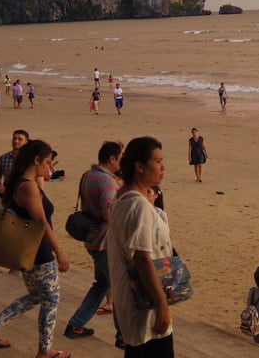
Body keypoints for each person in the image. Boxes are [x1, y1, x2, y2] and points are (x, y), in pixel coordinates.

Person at [0, 139, 71, 358]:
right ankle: (44, 351)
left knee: (38, 295)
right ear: (36, 160)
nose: (50, 167)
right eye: (47, 162)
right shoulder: (27, 186)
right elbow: (40, 221)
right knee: (51, 298)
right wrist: (59, 251)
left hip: (31, 247)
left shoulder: (23, 181)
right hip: (37, 248)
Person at [108, 136, 175, 357]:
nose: (163, 167)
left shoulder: (125, 198)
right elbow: (142, 259)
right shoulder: (137, 205)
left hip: (134, 301)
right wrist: (161, 304)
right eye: (157, 161)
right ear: (139, 166)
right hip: (145, 305)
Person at [65, 141, 123, 345]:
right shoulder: (106, 181)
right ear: (112, 159)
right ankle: (123, 337)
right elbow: (108, 213)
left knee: (103, 284)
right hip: (105, 241)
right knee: (121, 288)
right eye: (120, 157)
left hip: (93, 239)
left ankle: (76, 324)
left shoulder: (88, 175)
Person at [0, 130, 29, 205]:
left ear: (26, 142)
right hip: (7, 195)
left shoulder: (30, 159)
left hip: (25, 195)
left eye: (20, 139)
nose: (16, 141)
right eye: (14, 138)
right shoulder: (3, 158)